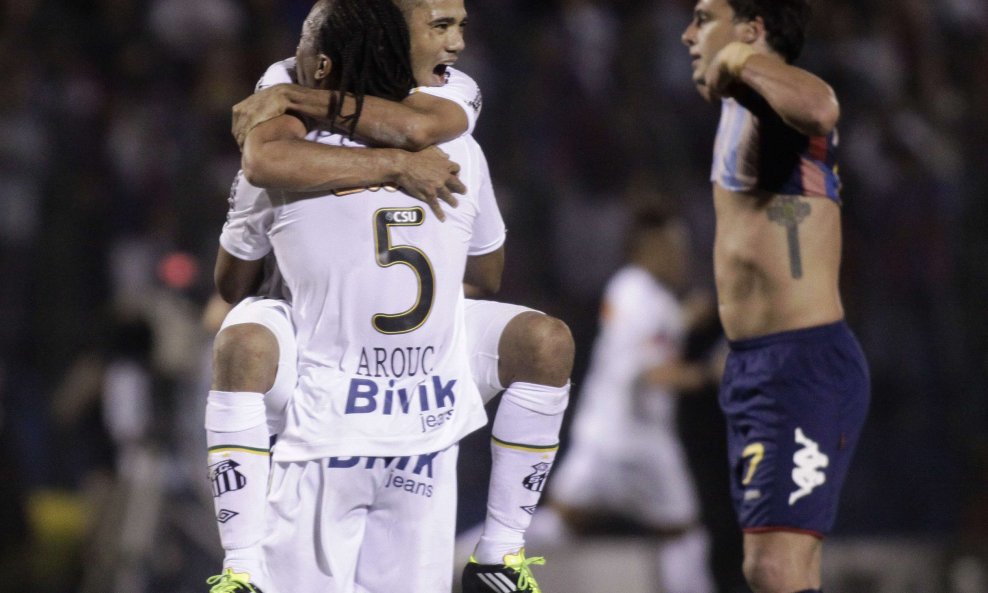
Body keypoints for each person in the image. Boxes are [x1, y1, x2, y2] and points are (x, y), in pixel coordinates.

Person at [207, 1, 571, 592]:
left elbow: (231, 281)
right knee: (542, 341)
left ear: (322, 65)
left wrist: (338, 286)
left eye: (460, 27)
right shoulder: (463, 155)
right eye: (441, 26)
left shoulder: (296, 145)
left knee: (245, 333)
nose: (455, 44)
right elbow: (487, 272)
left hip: (348, 403)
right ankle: (241, 569)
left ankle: (499, 556)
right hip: (413, 407)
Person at [681, 1, 871, 592]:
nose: (689, 35)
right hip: (757, 370)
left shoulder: (772, 100)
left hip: (800, 367)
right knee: (777, 570)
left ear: (752, 29)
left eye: (705, 18)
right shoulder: (742, 107)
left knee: (774, 569)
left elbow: (819, 107)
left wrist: (737, 59)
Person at [542, 207, 719, 593]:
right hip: (643, 445)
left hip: (602, 437)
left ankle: (465, 566)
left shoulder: (634, 290)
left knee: (557, 525)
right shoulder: (639, 292)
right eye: (675, 246)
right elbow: (654, 372)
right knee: (683, 538)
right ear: (649, 248)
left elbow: (652, 332)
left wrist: (684, 318)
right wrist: (710, 374)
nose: (682, 256)